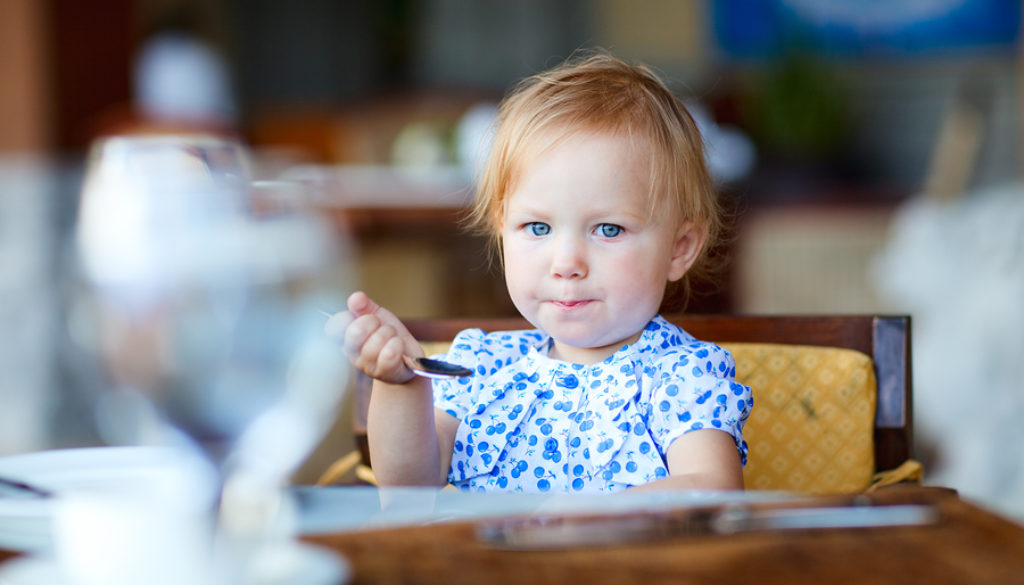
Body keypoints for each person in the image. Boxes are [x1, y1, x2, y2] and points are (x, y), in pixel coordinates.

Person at [329, 52, 752, 492]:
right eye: (537, 227)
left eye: (608, 229)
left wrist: (584, 519)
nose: (566, 262)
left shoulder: (679, 375)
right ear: (502, 230)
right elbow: (408, 490)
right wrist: (402, 384)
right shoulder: (479, 368)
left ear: (679, 249)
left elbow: (711, 489)